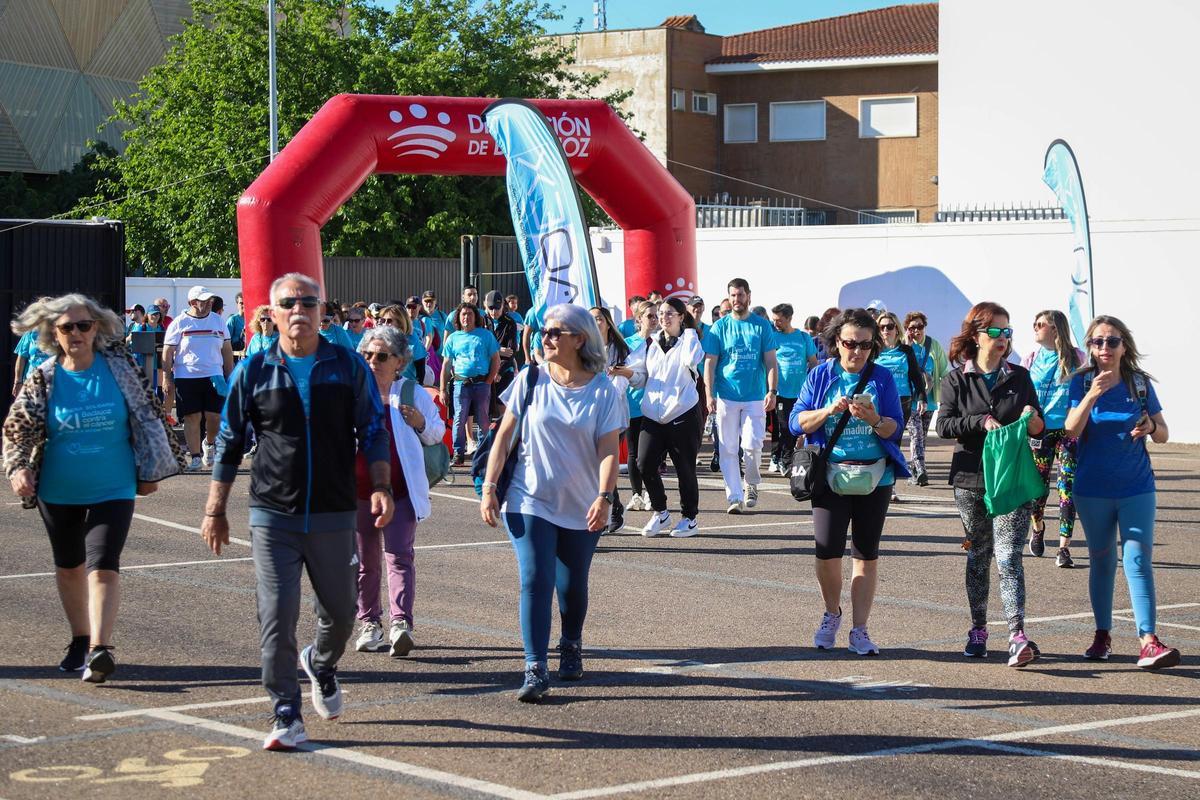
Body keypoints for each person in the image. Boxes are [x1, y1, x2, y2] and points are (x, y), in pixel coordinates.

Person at [201, 272, 394, 751]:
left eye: (309, 302)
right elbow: (229, 439)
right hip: (272, 513)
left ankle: (322, 664)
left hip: (332, 510)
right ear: (273, 311)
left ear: (321, 310)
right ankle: (285, 712)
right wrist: (215, 508)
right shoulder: (254, 370)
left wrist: (382, 486)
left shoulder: (347, 365)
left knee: (343, 613)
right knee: (277, 614)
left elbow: (371, 430)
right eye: (290, 302)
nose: (300, 310)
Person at [3, 294, 186, 683]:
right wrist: (17, 469)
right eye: (67, 327)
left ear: (97, 328)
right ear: (54, 333)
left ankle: (100, 649)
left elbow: (148, 414)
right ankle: (79, 638)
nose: (76, 333)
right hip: (58, 488)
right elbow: (16, 430)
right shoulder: (45, 376)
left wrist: (151, 468)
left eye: (83, 325)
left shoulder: (120, 369)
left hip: (114, 485)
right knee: (70, 567)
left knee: (103, 565)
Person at [480, 303, 623, 702]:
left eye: (556, 331)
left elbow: (609, 450)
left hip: (581, 503)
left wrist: (604, 497)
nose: (546, 337)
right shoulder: (529, 379)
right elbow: (504, 437)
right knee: (535, 578)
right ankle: (535, 666)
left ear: (580, 339)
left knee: (571, 586)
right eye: (544, 331)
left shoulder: (602, 390)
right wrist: (490, 487)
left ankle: (571, 642)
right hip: (529, 499)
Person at [1064, 316, 1179, 669]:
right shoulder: (1081, 382)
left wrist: (1150, 425)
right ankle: (1102, 635)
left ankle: (1148, 640)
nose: (1104, 349)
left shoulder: (1139, 384)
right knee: (1101, 561)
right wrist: (1093, 394)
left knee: (1138, 561)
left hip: (1136, 487)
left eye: (1112, 342)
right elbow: (1070, 429)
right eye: (1097, 342)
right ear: (1090, 347)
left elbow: (1163, 433)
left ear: (1123, 346)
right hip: (1093, 489)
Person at [791, 308, 908, 656]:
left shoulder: (883, 378)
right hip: (829, 475)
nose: (856, 351)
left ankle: (860, 629)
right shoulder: (820, 376)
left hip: (875, 476)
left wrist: (873, 418)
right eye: (849, 344)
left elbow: (895, 429)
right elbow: (796, 422)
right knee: (827, 551)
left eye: (866, 345)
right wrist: (828, 411)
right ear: (835, 343)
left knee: (865, 554)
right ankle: (831, 613)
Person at [937, 302, 1045, 667]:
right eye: (995, 332)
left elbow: (1038, 425)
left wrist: (1032, 420)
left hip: (1012, 478)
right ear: (976, 335)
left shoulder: (1019, 376)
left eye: (1007, 331)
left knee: (1009, 556)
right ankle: (978, 629)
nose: (1003, 339)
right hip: (970, 479)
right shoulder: (955, 379)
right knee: (977, 553)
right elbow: (944, 426)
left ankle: (1017, 634)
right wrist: (979, 421)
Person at [351, 327, 445, 657]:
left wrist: (420, 421)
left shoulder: (412, 393)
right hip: (358, 492)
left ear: (399, 361)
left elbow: (436, 435)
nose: (373, 361)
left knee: (400, 556)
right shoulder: (352, 392)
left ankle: (400, 623)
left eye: (381, 356)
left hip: (401, 492)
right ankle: (369, 623)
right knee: (365, 561)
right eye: (367, 355)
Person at [703, 278, 779, 514]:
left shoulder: (761, 326)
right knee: (727, 448)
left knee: (752, 443)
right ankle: (734, 496)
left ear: (749, 296)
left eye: (741, 295)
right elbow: (710, 363)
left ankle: (751, 484)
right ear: (729, 297)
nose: (737, 300)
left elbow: (770, 361)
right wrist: (709, 394)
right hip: (726, 396)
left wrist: (772, 391)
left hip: (755, 396)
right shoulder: (719, 327)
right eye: (733, 295)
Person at [637, 298, 705, 537]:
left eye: (669, 314)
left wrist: (688, 331)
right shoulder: (652, 342)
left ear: (680, 317)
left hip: (682, 415)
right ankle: (661, 512)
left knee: (685, 469)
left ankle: (689, 518)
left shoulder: (689, 340)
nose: (663, 318)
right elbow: (643, 375)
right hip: (653, 415)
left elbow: (691, 359)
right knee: (644, 464)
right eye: (660, 314)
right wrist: (627, 374)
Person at [1023, 309, 1085, 566]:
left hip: (1068, 433)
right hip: (1040, 431)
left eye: (1040, 324)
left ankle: (1064, 549)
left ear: (1055, 329)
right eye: (1034, 323)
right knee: (1037, 492)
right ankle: (1038, 529)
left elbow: (1085, 391)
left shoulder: (1076, 358)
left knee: (1066, 491)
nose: (1035, 328)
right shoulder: (1031, 359)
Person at [161, 285, 234, 470]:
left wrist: (230, 376)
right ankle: (195, 457)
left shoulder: (218, 321)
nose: (209, 303)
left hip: (215, 376)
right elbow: (168, 352)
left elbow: (226, 350)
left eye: (209, 300)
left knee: (214, 416)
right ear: (193, 303)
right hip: (186, 376)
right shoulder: (179, 322)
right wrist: (167, 378)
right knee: (192, 416)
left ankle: (209, 444)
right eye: (203, 301)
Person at [590, 305, 645, 533]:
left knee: (603, 461)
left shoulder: (619, 349)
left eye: (600, 319)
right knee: (597, 465)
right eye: (591, 319)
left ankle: (608, 509)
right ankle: (614, 506)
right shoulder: (584, 348)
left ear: (608, 322)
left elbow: (624, 382)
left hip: (613, 414)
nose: (596, 323)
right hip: (590, 414)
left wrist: (603, 391)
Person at [439, 302, 500, 465]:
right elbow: (446, 364)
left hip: (482, 384)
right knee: (459, 420)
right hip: (460, 384)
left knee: (483, 421)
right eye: (463, 314)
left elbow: (496, 359)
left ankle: (483, 454)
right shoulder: (453, 338)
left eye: (470, 314)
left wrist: (488, 381)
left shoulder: (486, 335)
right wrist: (442, 389)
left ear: (476, 317)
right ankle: (458, 454)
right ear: (458, 317)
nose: (466, 317)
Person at [875, 312, 926, 501]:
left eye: (889, 326)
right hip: (878, 402)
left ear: (897, 329)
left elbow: (915, 376)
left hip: (901, 402)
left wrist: (921, 397)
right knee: (878, 443)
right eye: (881, 327)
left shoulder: (906, 351)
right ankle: (874, 481)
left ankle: (890, 486)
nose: (885, 330)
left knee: (893, 443)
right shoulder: (873, 351)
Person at [769, 303, 819, 475]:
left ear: (789, 318)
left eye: (779, 320)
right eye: (774, 320)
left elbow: (813, 362)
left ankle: (797, 459)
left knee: (801, 428)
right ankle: (785, 460)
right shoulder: (774, 338)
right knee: (784, 427)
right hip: (782, 392)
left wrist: (814, 384)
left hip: (801, 393)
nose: (776, 323)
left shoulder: (803, 338)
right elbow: (768, 363)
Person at [903, 312, 949, 486]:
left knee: (922, 437)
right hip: (910, 399)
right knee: (916, 434)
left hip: (928, 399)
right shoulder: (904, 347)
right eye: (912, 327)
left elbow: (944, 371)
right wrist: (906, 345)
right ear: (907, 330)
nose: (916, 331)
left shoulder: (933, 345)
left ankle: (915, 472)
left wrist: (948, 395)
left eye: (919, 326)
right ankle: (921, 469)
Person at [623, 301, 658, 513]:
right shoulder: (627, 343)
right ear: (639, 319)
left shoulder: (661, 343)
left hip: (654, 406)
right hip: (632, 405)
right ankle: (636, 494)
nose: (654, 320)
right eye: (650, 316)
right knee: (634, 452)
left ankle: (652, 493)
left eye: (656, 316)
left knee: (650, 454)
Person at [486, 291, 521, 417]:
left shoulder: (509, 322)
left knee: (502, 404)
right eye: (491, 308)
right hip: (486, 368)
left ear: (502, 307)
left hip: (504, 369)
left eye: (497, 308)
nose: (494, 312)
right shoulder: (482, 320)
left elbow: (510, 352)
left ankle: (505, 432)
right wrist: (499, 350)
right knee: (485, 406)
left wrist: (499, 371)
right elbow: (480, 346)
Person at [377, 305, 428, 385]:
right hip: (385, 385)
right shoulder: (379, 339)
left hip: (406, 387)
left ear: (400, 323)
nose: (385, 324)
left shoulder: (412, 340)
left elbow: (420, 367)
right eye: (383, 320)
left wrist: (419, 386)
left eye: (389, 321)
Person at [12, 326, 50, 397]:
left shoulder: (60, 332)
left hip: (53, 383)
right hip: (31, 383)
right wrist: (17, 382)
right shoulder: (30, 333)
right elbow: (21, 358)